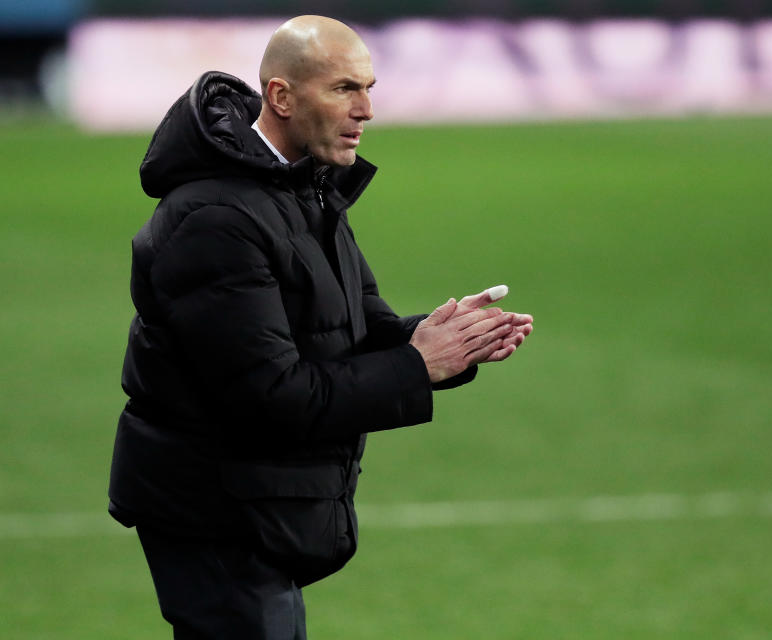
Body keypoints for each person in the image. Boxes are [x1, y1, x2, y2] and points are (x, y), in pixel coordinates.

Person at [108, 15, 533, 639]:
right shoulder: (216, 221)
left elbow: (359, 330)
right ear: (281, 96)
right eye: (343, 89)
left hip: (256, 506)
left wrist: (449, 340)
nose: (366, 109)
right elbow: (272, 396)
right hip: (216, 512)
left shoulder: (302, 191)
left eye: (368, 87)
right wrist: (418, 364)